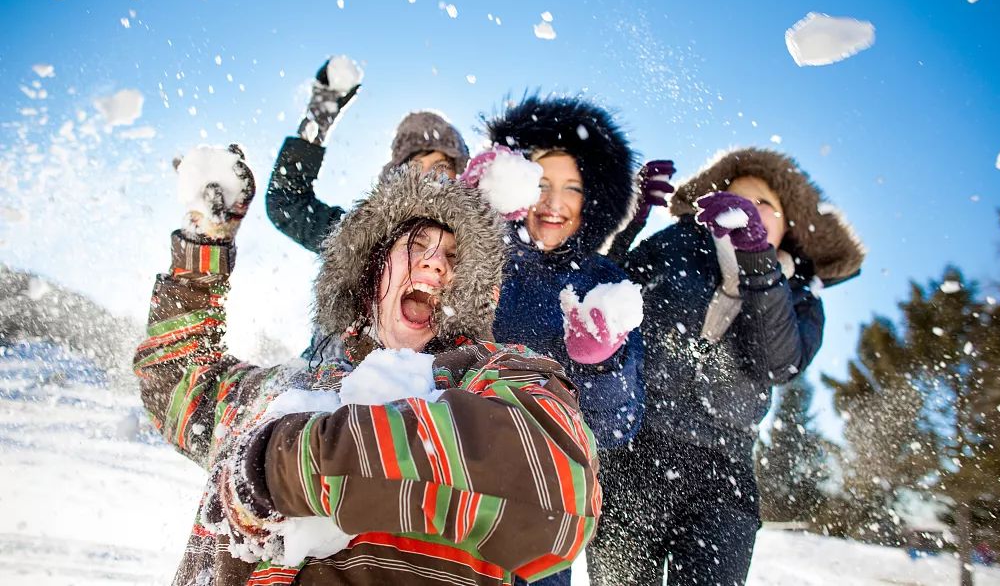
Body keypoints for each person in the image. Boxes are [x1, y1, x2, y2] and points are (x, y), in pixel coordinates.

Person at [135, 147, 600, 585]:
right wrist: (204, 245)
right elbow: (176, 383)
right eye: (417, 244)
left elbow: (560, 490)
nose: (436, 266)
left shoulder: (491, 374)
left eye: (452, 258)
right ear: (371, 269)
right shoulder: (282, 387)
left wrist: (284, 466)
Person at [589, 147, 865, 585]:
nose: (747, 212)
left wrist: (757, 261)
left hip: (723, 474)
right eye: (736, 200)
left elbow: (776, 364)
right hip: (635, 455)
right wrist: (629, 220)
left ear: (788, 227)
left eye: (763, 206)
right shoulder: (676, 246)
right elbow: (599, 295)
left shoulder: (800, 295)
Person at [476, 94, 645, 586]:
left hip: (545, 502)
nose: (554, 203)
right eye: (542, 183)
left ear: (591, 200)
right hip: (453, 474)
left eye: (572, 187)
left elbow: (618, 427)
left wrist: (600, 364)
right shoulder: (474, 254)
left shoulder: (603, 282)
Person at [266, 58, 470, 253]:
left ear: (460, 174)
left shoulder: (476, 242)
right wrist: (317, 122)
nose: (428, 176)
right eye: (416, 167)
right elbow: (287, 205)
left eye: (441, 167)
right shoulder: (366, 237)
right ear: (397, 175)